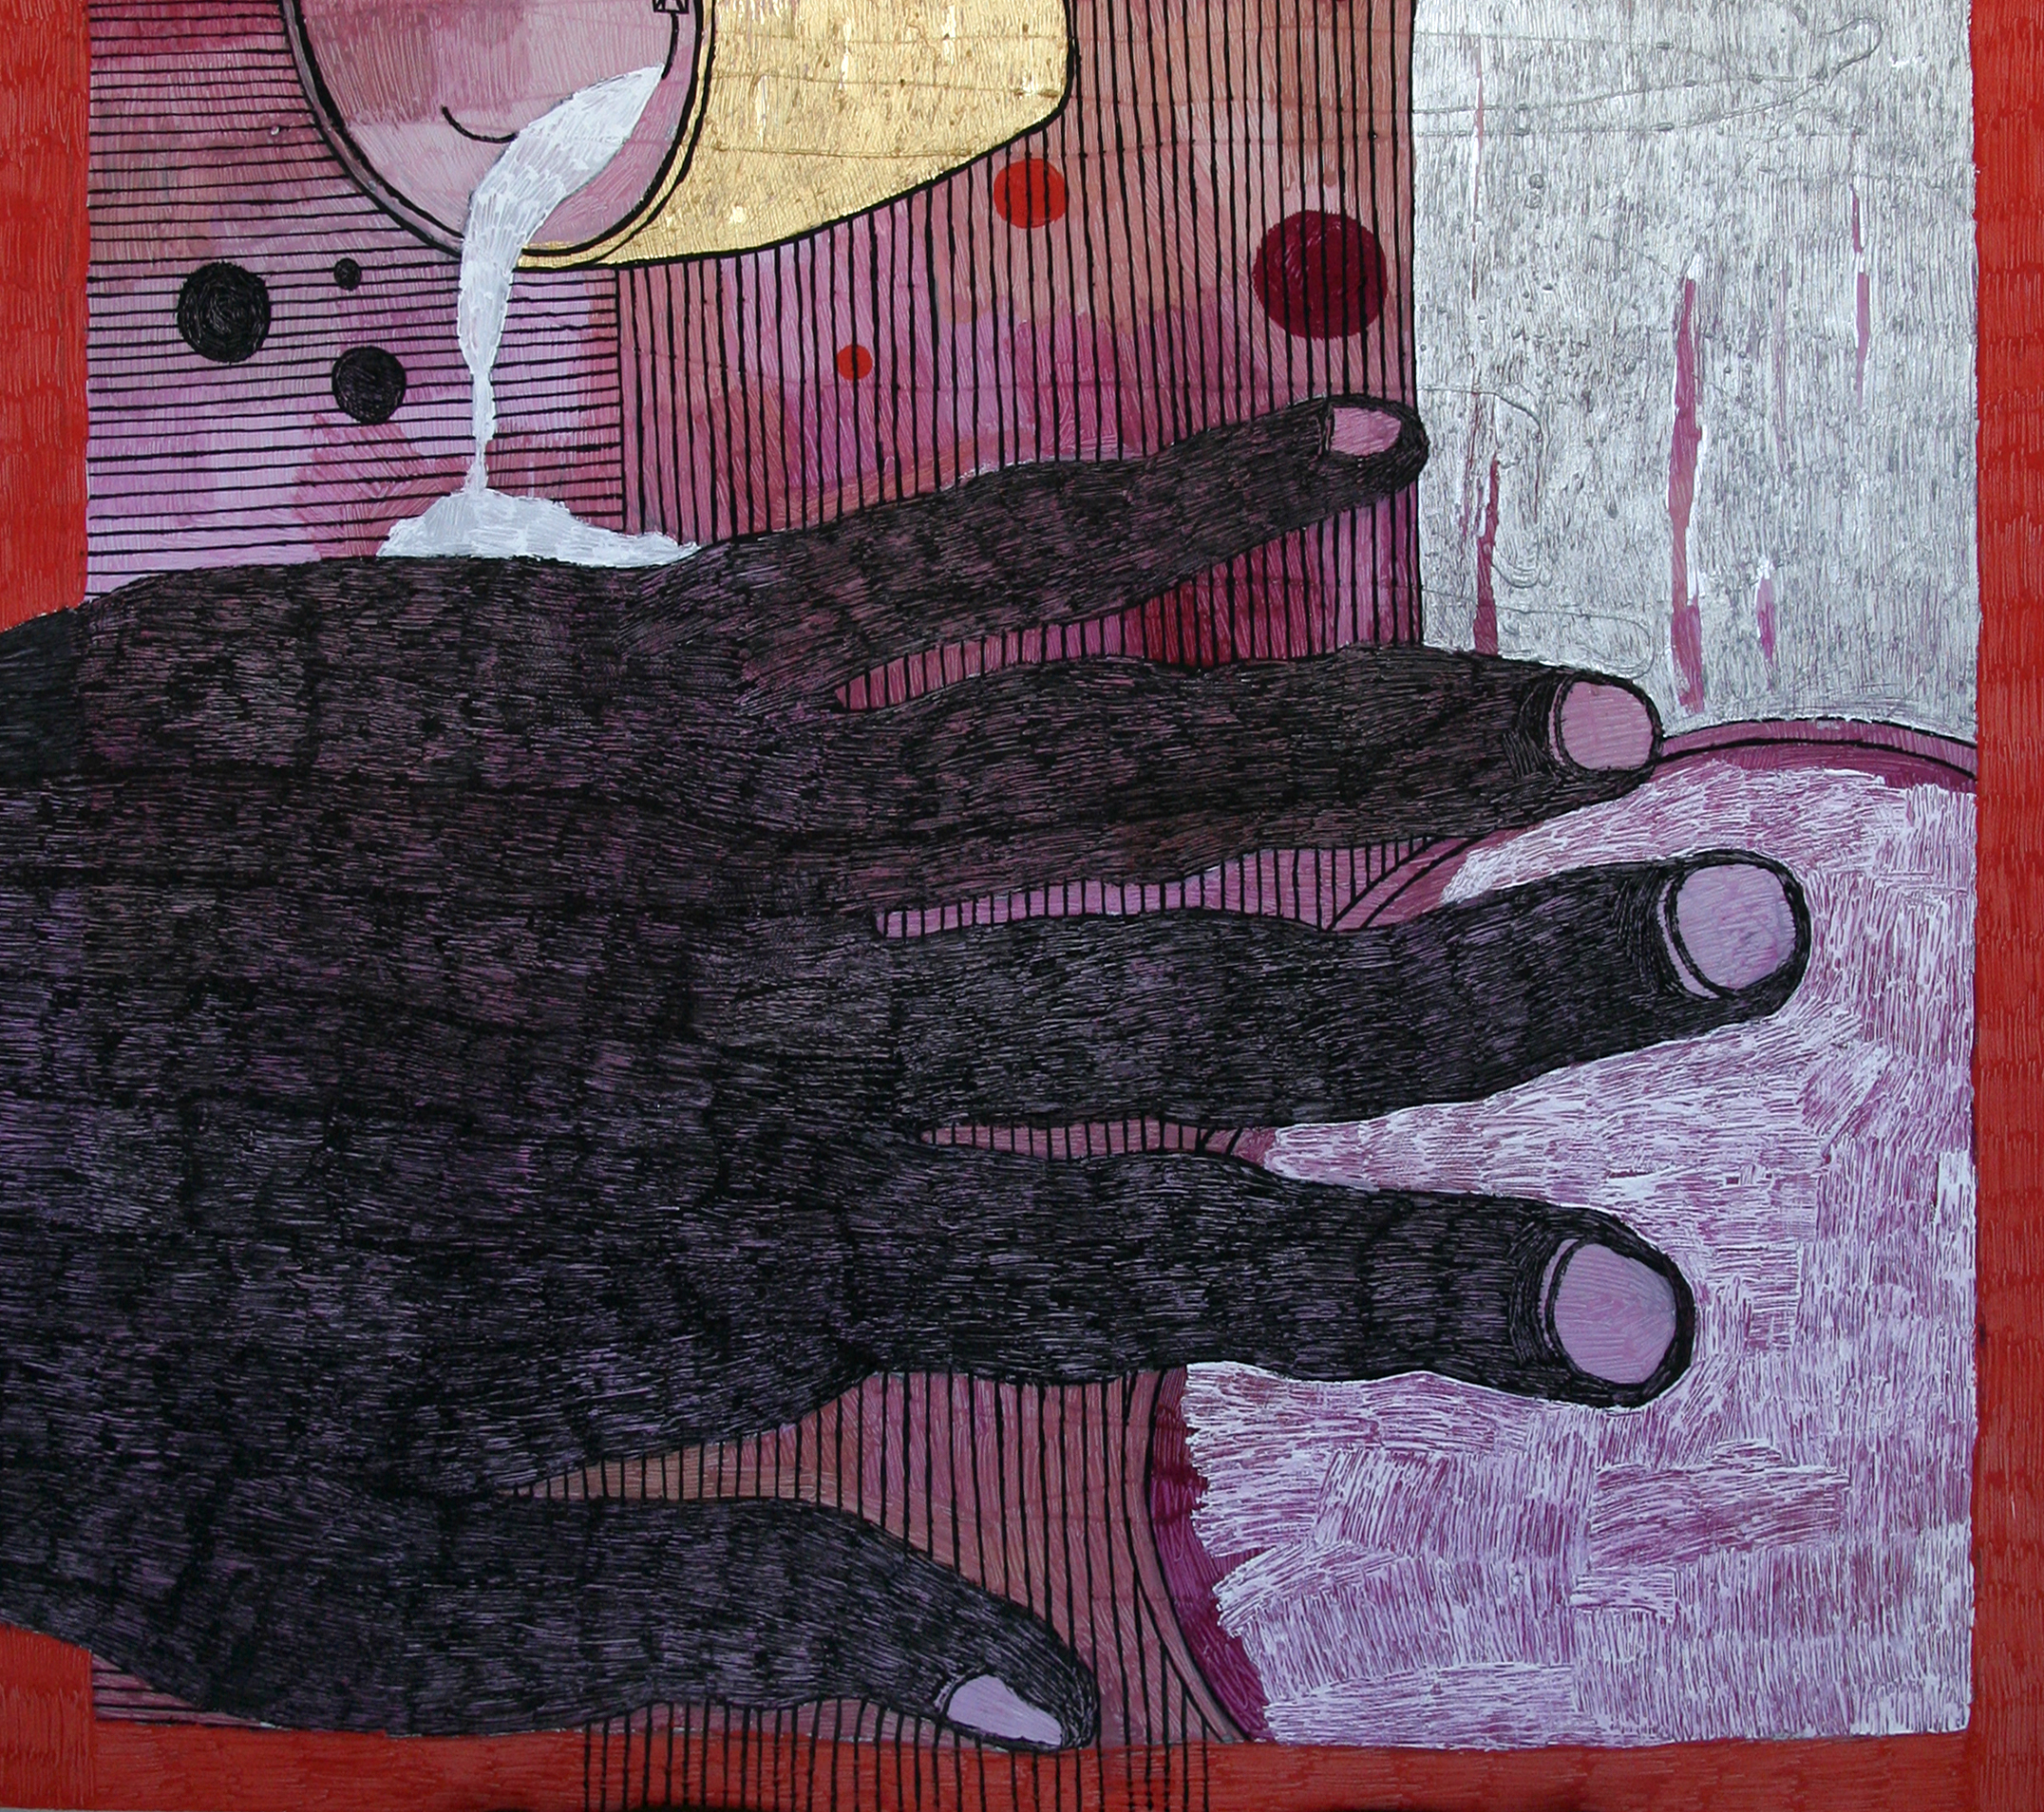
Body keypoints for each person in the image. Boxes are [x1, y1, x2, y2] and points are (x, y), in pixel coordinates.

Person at [0, 396, 1807, 1746]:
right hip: (615, 1254)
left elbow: (191, 679)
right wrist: (767, 1610)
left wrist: (578, 680)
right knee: (1086, 1180)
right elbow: (309, 1604)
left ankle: (1460, 900)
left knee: (1085, 863)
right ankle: (1440, 1226)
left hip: (563, 817)